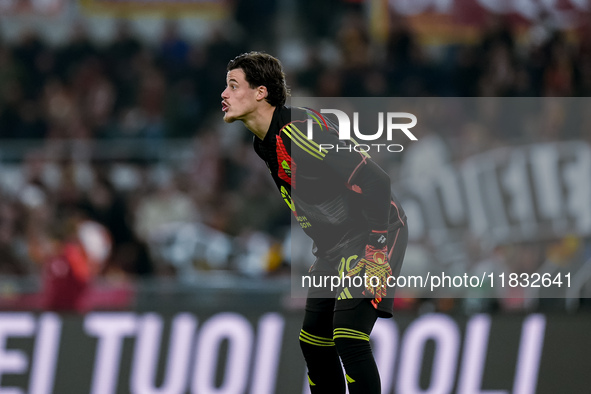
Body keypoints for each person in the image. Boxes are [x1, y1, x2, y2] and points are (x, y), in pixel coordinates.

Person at [221, 51, 408, 394]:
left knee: (348, 334)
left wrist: (377, 248)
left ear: (261, 92)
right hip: (335, 247)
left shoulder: (303, 131)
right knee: (313, 341)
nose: (224, 93)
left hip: (375, 231)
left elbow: (377, 181)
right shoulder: (263, 143)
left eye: (234, 85)